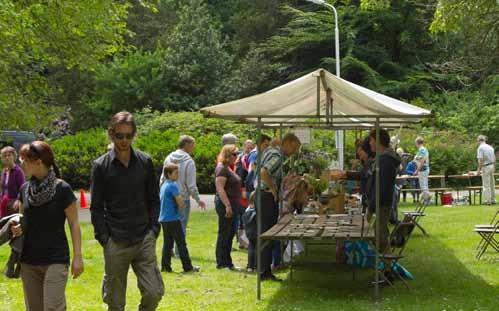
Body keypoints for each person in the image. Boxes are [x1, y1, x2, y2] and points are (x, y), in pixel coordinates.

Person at [90, 111, 164, 311]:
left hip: (143, 237)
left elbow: (154, 199)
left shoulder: (145, 161)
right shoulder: (100, 166)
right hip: (115, 240)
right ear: (111, 134)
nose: (124, 140)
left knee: (153, 293)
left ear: (134, 135)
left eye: (129, 136)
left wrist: (153, 230)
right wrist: (104, 238)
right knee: (115, 302)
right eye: (119, 136)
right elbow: (96, 206)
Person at [11, 141, 83, 311]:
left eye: (24, 159)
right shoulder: (24, 189)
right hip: (28, 260)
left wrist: (78, 256)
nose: (20, 163)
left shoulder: (62, 189)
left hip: (56, 259)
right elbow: (21, 220)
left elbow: (74, 224)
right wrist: (16, 229)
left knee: (52, 307)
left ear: (38, 162)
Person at [258, 133, 301, 281]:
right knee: (267, 233)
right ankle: (264, 272)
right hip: (266, 197)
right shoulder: (277, 155)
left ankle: (265, 270)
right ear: (287, 143)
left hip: (262, 195)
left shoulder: (270, 151)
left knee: (266, 233)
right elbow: (263, 172)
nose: (294, 152)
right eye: (294, 148)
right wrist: (273, 188)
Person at [159, 135, 206, 250]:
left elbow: (162, 180)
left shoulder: (168, 158)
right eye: (193, 145)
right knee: (181, 226)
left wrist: (162, 195)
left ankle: (168, 251)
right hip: (182, 198)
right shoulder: (189, 161)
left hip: (168, 198)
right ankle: (180, 251)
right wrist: (198, 199)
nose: (193, 148)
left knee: (168, 227)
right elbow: (191, 185)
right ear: (187, 145)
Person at [159, 163, 199, 273]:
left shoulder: (164, 185)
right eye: (176, 173)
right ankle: (188, 267)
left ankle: (165, 267)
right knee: (181, 243)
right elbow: (180, 203)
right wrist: (180, 204)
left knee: (168, 244)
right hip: (172, 218)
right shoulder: (172, 185)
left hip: (164, 219)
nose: (178, 175)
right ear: (168, 174)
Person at [366, 129, 401, 252]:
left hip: (382, 202)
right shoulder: (382, 158)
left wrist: (371, 206)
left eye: (371, 140)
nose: (369, 143)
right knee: (379, 233)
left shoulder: (385, 160)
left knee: (380, 235)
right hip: (379, 202)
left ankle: (387, 266)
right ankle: (385, 264)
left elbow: (382, 186)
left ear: (378, 141)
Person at [214, 144, 242, 270]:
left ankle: (228, 261)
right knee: (224, 233)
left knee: (230, 233)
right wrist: (228, 206)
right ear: (227, 155)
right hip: (226, 204)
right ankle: (221, 262)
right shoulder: (222, 169)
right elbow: (220, 188)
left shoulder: (229, 168)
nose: (237, 156)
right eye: (235, 154)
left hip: (234, 203)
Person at [0, 146, 25, 217]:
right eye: (4, 156)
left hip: (13, 204)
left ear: (14, 156)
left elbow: (22, 188)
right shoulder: (4, 171)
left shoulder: (18, 171)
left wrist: (18, 200)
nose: (7, 157)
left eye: (9, 155)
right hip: (4, 202)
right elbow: (2, 188)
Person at [475, 135, 496, 205]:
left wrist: (478, 170)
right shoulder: (490, 147)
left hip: (486, 167)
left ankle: (488, 201)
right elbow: (494, 158)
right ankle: (493, 199)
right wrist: (494, 167)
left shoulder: (480, 148)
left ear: (479, 140)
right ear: (484, 140)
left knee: (486, 185)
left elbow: (481, 159)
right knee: (492, 184)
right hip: (491, 166)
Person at [242, 192, 257, 272]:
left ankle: (250, 266)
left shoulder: (247, 209)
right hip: (256, 231)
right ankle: (256, 265)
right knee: (257, 247)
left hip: (249, 232)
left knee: (251, 247)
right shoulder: (256, 210)